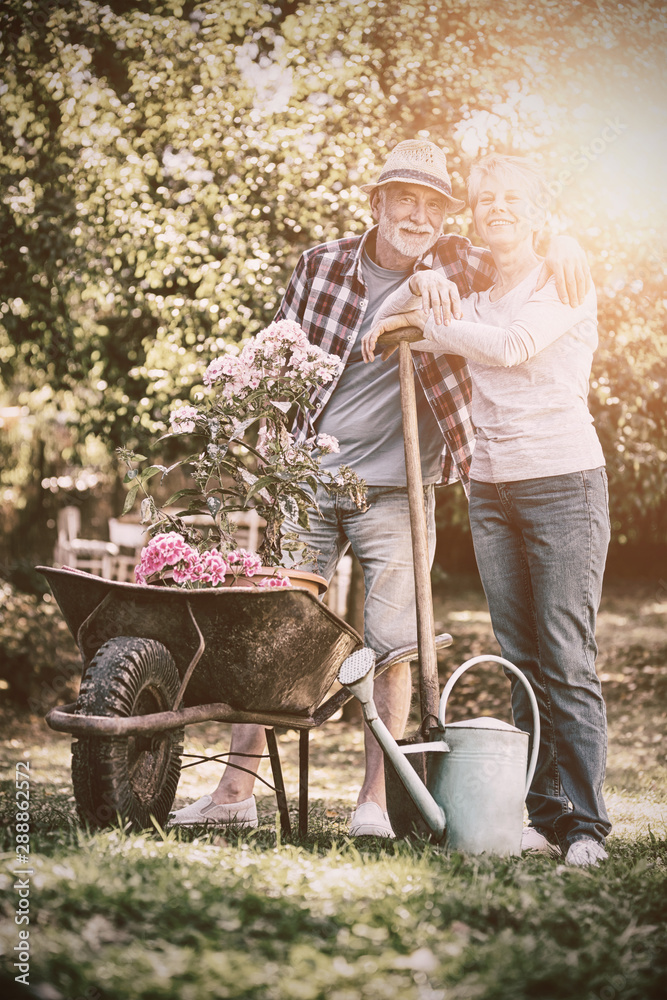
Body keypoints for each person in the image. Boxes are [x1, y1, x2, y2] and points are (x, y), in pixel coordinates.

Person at [168, 140, 591, 838]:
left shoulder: (460, 258)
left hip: (399, 491)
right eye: (406, 201)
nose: (419, 216)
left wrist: (568, 239)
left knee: (392, 646)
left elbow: (522, 243)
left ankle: (374, 804)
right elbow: (278, 359)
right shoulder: (320, 264)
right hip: (310, 481)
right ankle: (235, 794)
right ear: (377, 203)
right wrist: (269, 455)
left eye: (433, 206)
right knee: (275, 631)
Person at [362, 153, 611, 866]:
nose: (497, 208)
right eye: (486, 199)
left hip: (563, 482)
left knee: (566, 658)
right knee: (519, 659)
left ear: (538, 210)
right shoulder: (466, 293)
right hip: (490, 489)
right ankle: (542, 812)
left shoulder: (564, 273)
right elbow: (379, 330)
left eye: (513, 199)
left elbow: (510, 349)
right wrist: (421, 282)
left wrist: (429, 323)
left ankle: (587, 826)